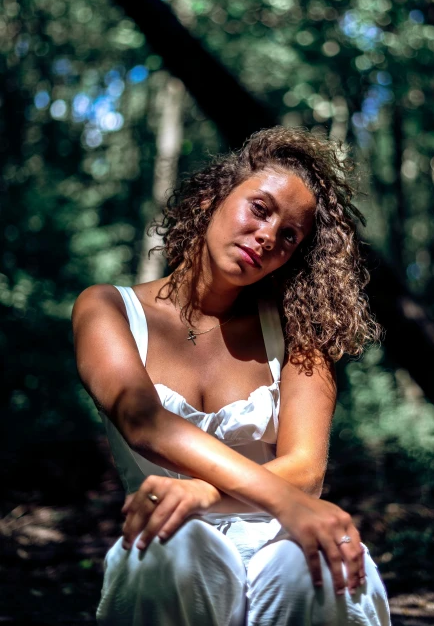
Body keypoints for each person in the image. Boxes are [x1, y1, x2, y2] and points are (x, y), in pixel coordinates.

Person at [72, 126, 391, 626]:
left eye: (289, 236)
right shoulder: (107, 308)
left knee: (318, 567)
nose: (268, 236)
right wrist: (208, 505)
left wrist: (203, 491)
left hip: (281, 538)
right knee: (172, 546)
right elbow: (144, 423)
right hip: (172, 539)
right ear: (207, 202)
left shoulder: (296, 330)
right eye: (260, 209)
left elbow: (306, 468)